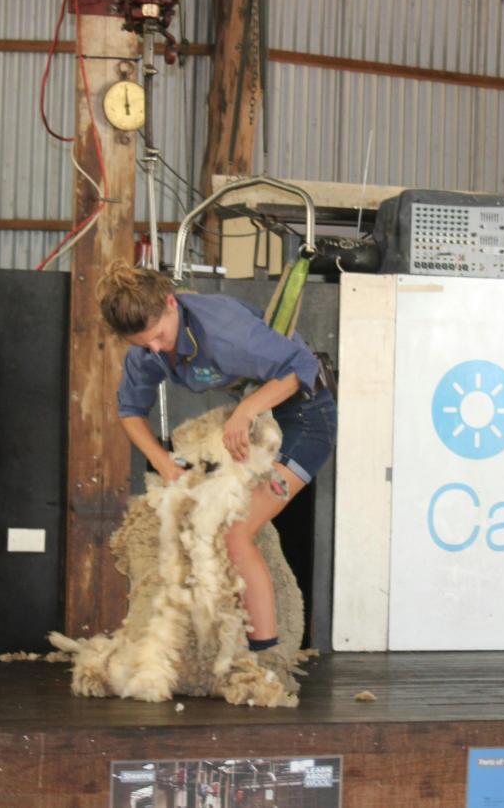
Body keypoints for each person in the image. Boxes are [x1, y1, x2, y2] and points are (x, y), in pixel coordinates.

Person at [96, 259, 337, 689]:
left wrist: (245, 412)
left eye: (158, 336)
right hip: (258, 417)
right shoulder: (148, 348)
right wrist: (162, 461)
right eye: (142, 344)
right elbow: (130, 412)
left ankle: (267, 662)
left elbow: (300, 368)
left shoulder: (223, 329)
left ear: (171, 303)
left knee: (235, 533)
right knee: (203, 518)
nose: (153, 349)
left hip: (304, 418)